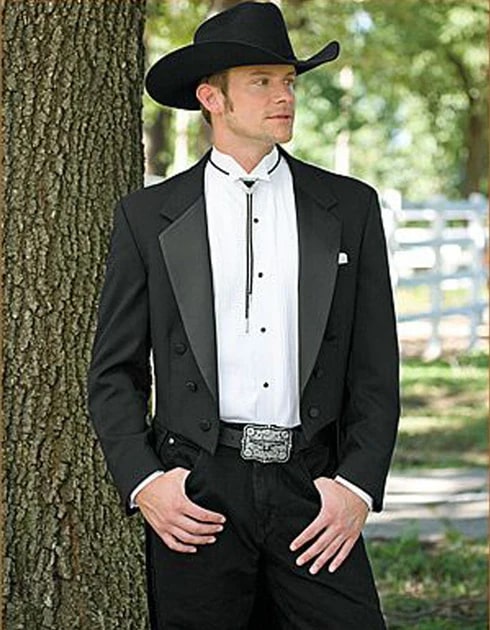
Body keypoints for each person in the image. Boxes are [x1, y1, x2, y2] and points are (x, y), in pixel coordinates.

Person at [87, 2, 400, 629]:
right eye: (262, 81)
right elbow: (114, 372)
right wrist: (147, 482)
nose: (284, 96)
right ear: (212, 98)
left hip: (313, 487)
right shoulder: (147, 217)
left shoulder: (350, 207)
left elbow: (375, 368)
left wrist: (357, 486)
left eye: (288, 81)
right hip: (197, 492)